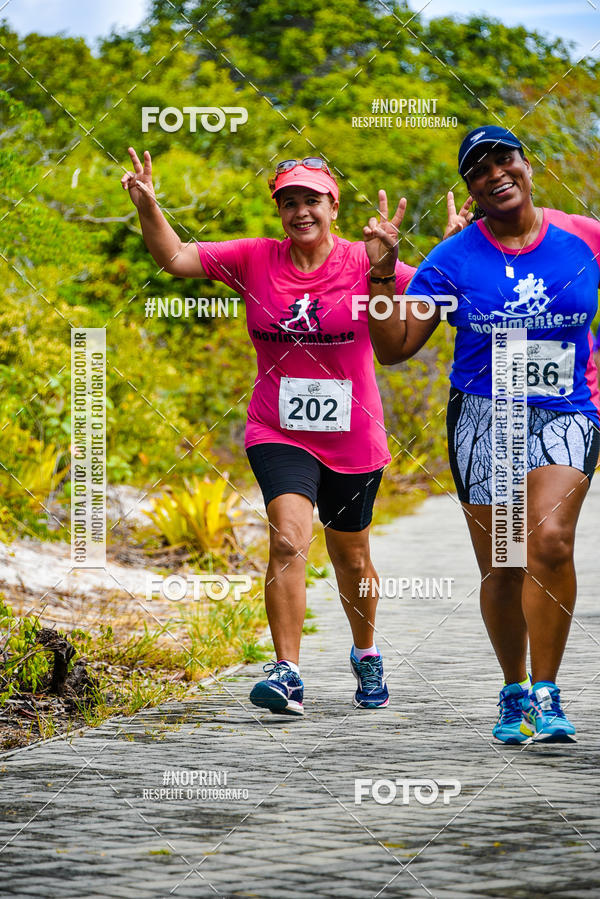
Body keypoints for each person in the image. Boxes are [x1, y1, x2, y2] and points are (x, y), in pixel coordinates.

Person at [121, 149, 419, 716]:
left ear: (333, 203)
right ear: (278, 210)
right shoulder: (255, 258)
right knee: (287, 537)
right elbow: (176, 258)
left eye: (311, 199)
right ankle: (287, 673)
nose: (300, 211)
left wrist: (419, 256)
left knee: (351, 558)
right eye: (289, 202)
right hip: (277, 428)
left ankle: (366, 652)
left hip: (354, 436)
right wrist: (149, 207)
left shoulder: (368, 259)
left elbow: (436, 296)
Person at [365, 125, 600, 743]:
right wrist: (382, 275)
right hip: (483, 414)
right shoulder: (452, 259)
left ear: (527, 165)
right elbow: (394, 349)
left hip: (566, 409)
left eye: (504, 159)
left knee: (549, 540)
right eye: (478, 170)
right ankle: (513, 690)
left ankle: (548, 693)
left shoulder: (584, 236)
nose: (495, 174)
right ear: (470, 187)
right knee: (505, 563)